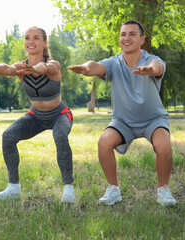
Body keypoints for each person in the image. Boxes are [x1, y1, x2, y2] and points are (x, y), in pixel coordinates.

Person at [69, 20, 176, 206]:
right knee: (104, 142)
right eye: (123, 34)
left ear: (141, 39)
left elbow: (158, 67)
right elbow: (97, 66)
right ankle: (113, 190)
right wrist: (87, 67)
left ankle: (163, 190)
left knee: (164, 146)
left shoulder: (152, 60)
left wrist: (150, 70)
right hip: (123, 122)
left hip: (153, 120)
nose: (126, 38)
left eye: (132, 34)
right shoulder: (113, 62)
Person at [0, 26, 75, 203]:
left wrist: (36, 69)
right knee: (8, 136)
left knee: (60, 135)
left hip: (59, 114)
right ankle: (13, 187)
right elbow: (7, 69)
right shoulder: (20, 67)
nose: (31, 41)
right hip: (35, 116)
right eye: (27, 38)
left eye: (36, 38)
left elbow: (44, 67)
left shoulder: (53, 64)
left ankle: (68, 189)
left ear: (44, 43)